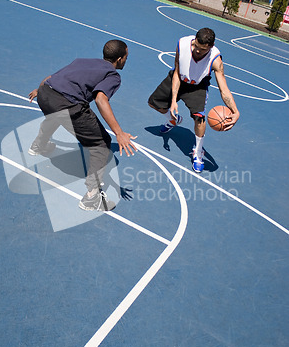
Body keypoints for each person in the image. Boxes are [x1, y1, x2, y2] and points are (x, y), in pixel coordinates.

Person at [28, 39, 137, 211]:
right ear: (119, 59)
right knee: (101, 143)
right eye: (126, 57)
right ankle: (92, 197)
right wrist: (119, 132)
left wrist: (39, 90)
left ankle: (38, 146)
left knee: (56, 116)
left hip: (45, 93)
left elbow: (51, 78)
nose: (126, 60)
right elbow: (101, 98)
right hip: (66, 104)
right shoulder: (113, 75)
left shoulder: (83, 61)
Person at [148, 28, 240, 173]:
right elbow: (177, 71)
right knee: (153, 103)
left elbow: (224, 90)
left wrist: (235, 111)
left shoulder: (215, 60)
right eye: (196, 46)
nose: (197, 51)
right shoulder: (182, 44)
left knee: (199, 118)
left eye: (202, 50)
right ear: (194, 40)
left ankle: (198, 152)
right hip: (178, 79)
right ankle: (173, 120)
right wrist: (173, 101)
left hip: (197, 87)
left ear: (212, 46)